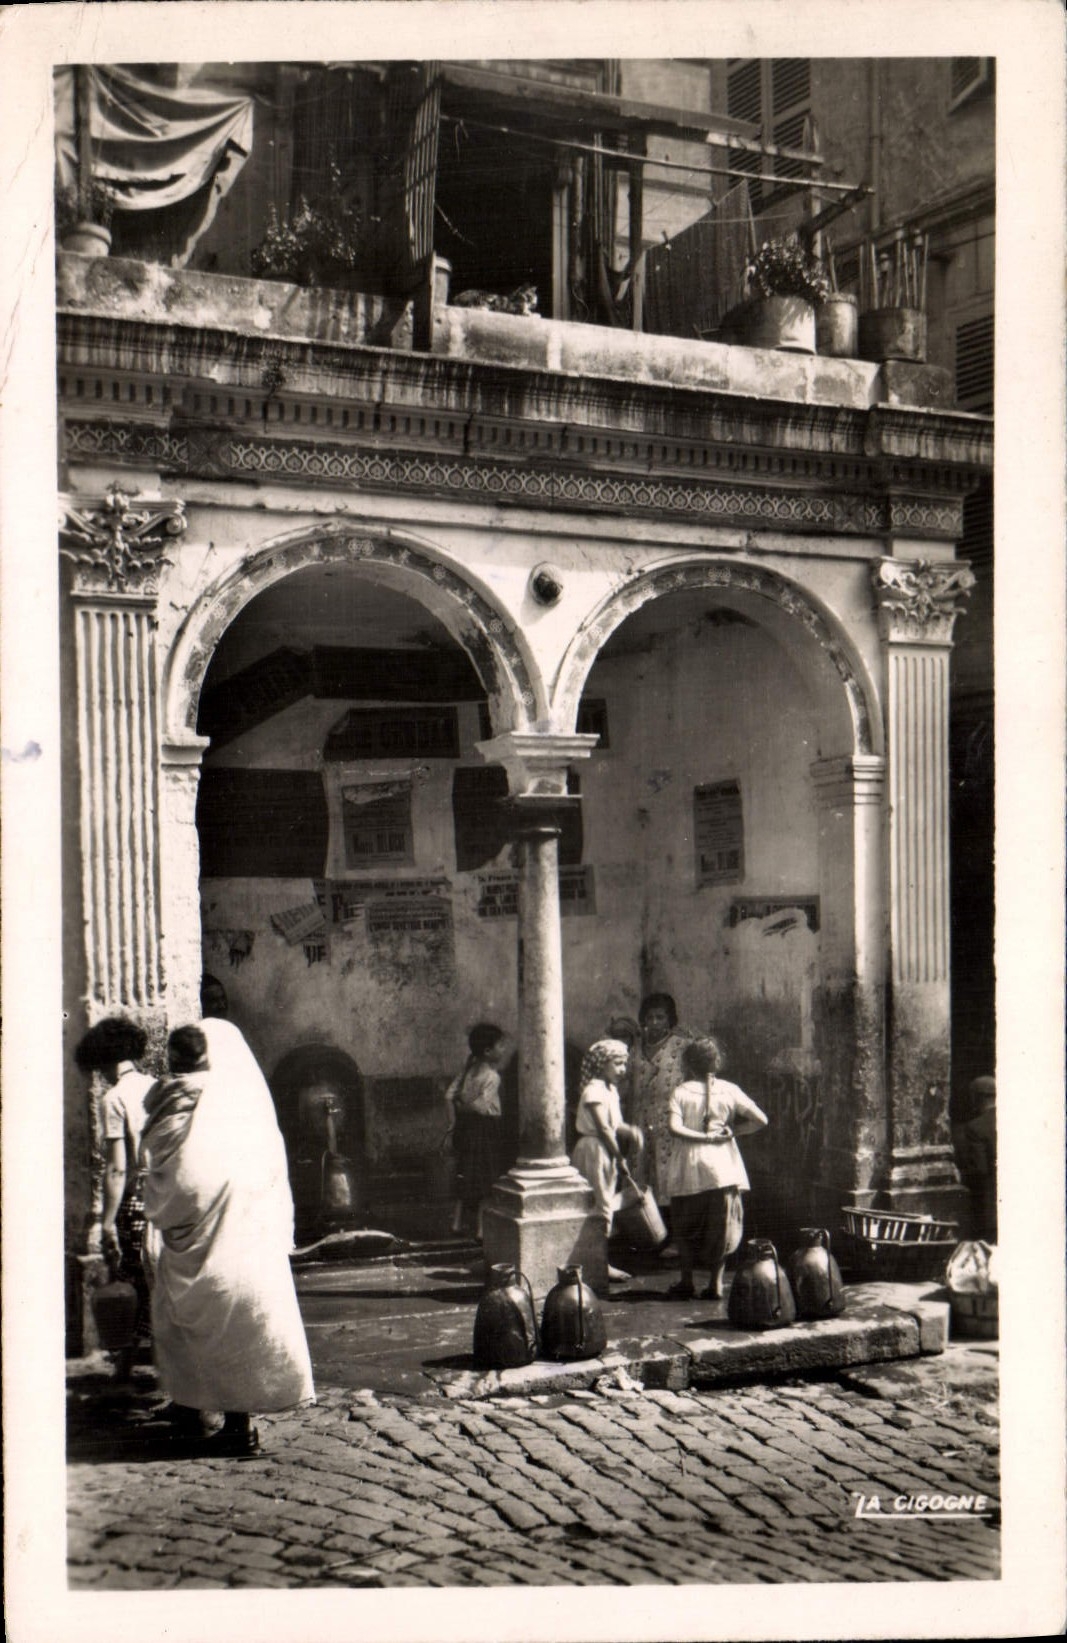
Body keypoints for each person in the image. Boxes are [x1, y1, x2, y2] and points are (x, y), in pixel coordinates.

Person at [140, 1017, 315, 1456]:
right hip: (239, 1240)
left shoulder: (182, 1099)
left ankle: (237, 1426)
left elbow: (179, 1180)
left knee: (205, 1324)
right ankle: (193, 1407)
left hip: (208, 1240)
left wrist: (162, 1212)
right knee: (225, 1325)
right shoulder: (241, 1107)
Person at [74, 1016, 157, 1377]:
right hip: (164, 1195)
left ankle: (125, 1363)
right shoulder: (156, 1086)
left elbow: (117, 1168)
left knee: (132, 1279)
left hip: (135, 1200)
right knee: (158, 1280)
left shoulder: (113, 1097)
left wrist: (106, 1222)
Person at [663, 1037, 768, 1301]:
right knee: (721, 1225)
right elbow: (761, 1120)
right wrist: (734, 1131)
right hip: (723, 1166)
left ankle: (687, 1281)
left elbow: (675, 1128)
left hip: (690, 1166)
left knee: (685, 1224)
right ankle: (715, 1284)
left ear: (688, 1063)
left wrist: (702, 1137)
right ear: (717, 1062)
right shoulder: (730, 1090)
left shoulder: (681, 1092)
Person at [570, 1038, 643, 1283]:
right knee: (599, 1206)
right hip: (593, 1150)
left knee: (605, 1205)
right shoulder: (594, 1091)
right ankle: (598, 1263)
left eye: (624, 1064)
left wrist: (631, 1131)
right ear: (602, 1064)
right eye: (618, 1064)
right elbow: (603, 1128)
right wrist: (619, 1157)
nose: (623, 1069)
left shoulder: (609, 1090)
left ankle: (597, 1260)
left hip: (604, 1150)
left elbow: (615, 1124)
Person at [442, 1023, 509, 1239]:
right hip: (485, 1130)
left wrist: (453, 1121)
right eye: (501, 1046)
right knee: (485, 1179)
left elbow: (448, 1096)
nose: (504, 1050)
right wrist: (466, 1107)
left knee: (467, 1176)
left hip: (466, 1128)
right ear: (488, 1051)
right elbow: (481, 1107)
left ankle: (456, 1223)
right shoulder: (492, 1077)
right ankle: (481, 1230)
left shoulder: (468, 1071)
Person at [629, 993, 692, 1214]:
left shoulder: (683, 1046)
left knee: (669, 1174)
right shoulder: (635, 1048)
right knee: (642, 1175)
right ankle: (648, 1229)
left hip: (670, 1121)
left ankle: (672, 1229)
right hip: (641, 1119)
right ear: (643, 1020)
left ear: (670, 1020)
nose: (654, 1023)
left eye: (660, 1017)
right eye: (650, 1018)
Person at [955, 1074, 997, 1241]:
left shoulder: (976, 1127)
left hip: (990, 1209)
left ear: (977, 1098)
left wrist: (961, 1176)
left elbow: (979, 1171)